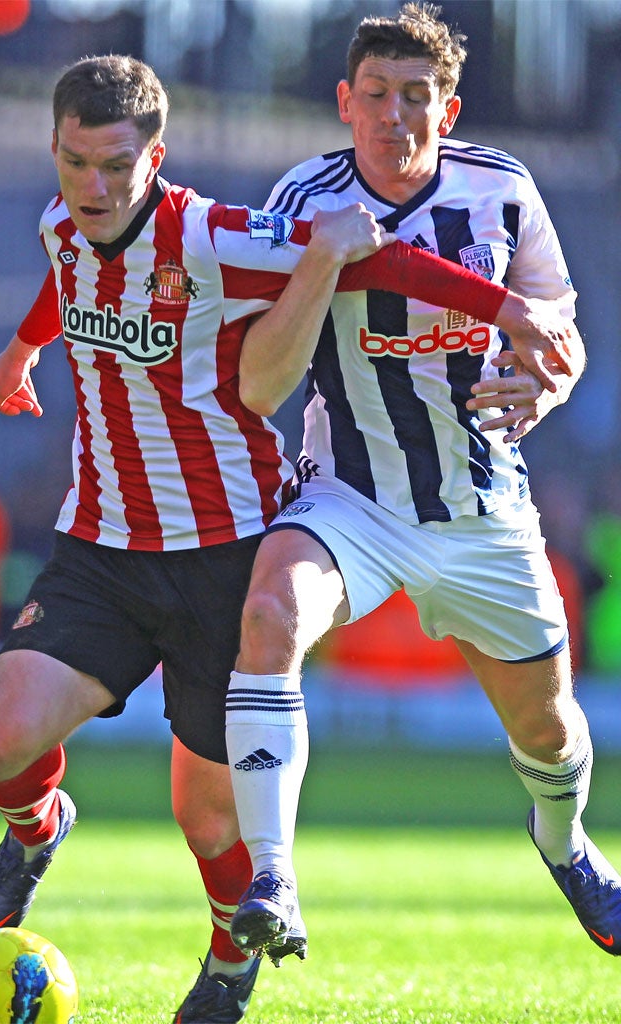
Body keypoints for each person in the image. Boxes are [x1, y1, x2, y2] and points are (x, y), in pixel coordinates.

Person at [0, 52, 580, 1024]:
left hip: (222, 549)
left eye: (113, 167)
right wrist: (21, 348)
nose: (91, 188)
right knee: (0, 737)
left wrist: (511, 310)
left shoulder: (213, 234)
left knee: (208, 819)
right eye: (74, 163)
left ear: (154, 155)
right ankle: (37, 829)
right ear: (55, 150)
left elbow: (372, 257)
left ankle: (229, 961)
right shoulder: (61, 225)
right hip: (101, 545)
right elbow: (65, 277)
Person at [223, 2, 616, 973]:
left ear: (450, 107)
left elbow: (556, 332)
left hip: (482, 508)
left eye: (416, 97)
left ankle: (562, 841)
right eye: (376, 96)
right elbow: (263, 383)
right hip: (346, 498)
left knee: (551, 731)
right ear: (343, 104)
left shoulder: (503, 190)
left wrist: (543, 385)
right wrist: (321, 260)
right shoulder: (299, 202)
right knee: (270, 606)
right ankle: (269, 875)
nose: (394, 116)